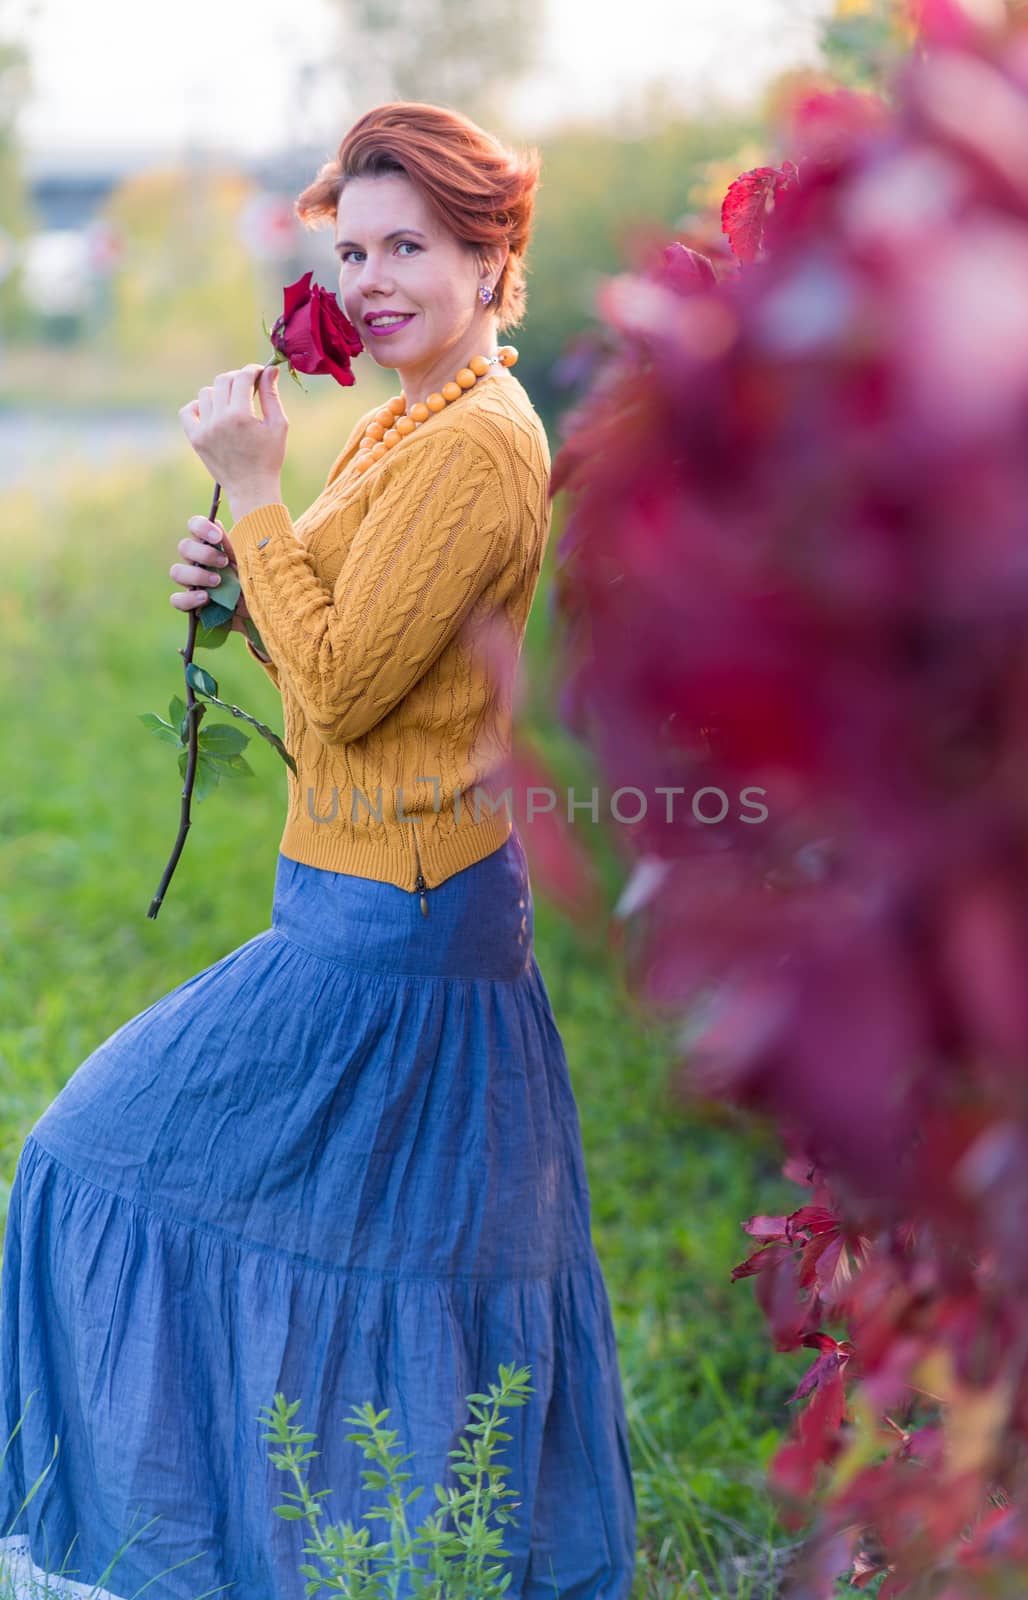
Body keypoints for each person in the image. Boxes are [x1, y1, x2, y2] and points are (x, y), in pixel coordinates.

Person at [0, 102, 637, 1599]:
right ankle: (327, 1552)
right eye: (352, 250)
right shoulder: (416, 421)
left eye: (409, 246)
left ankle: (197, 1547)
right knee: (384, 1253)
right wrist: (240, 592)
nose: (371, 281)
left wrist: (266, 495)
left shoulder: (479, 446)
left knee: (95, 1156)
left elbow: (346, 687)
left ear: (494, 253)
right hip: (376, 898)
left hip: (393, 927)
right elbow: (357, 665)